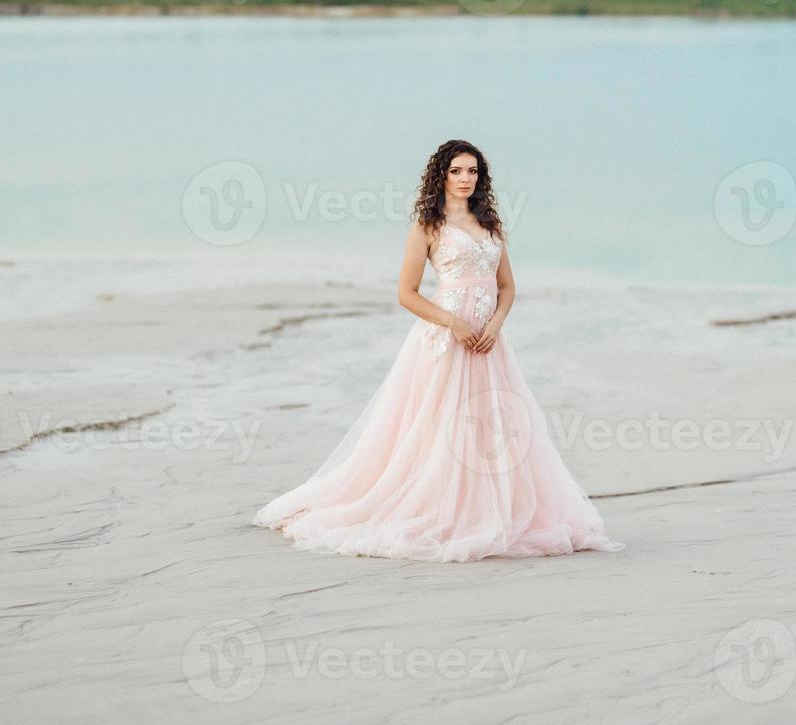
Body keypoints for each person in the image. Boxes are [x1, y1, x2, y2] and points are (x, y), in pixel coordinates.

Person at [253, 139, 624, 563]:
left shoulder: (490, 225)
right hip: (445, 340)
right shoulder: (427, 226)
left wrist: (495, 324)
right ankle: (439, 509)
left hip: (488, 342)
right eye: (457, 171)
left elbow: (507, 287)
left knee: (492, 427)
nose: (466, 179)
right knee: (439, 425)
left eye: (472, 172)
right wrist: (454, 323)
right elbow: (406, 294)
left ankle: (492, 510)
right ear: (441, 176)